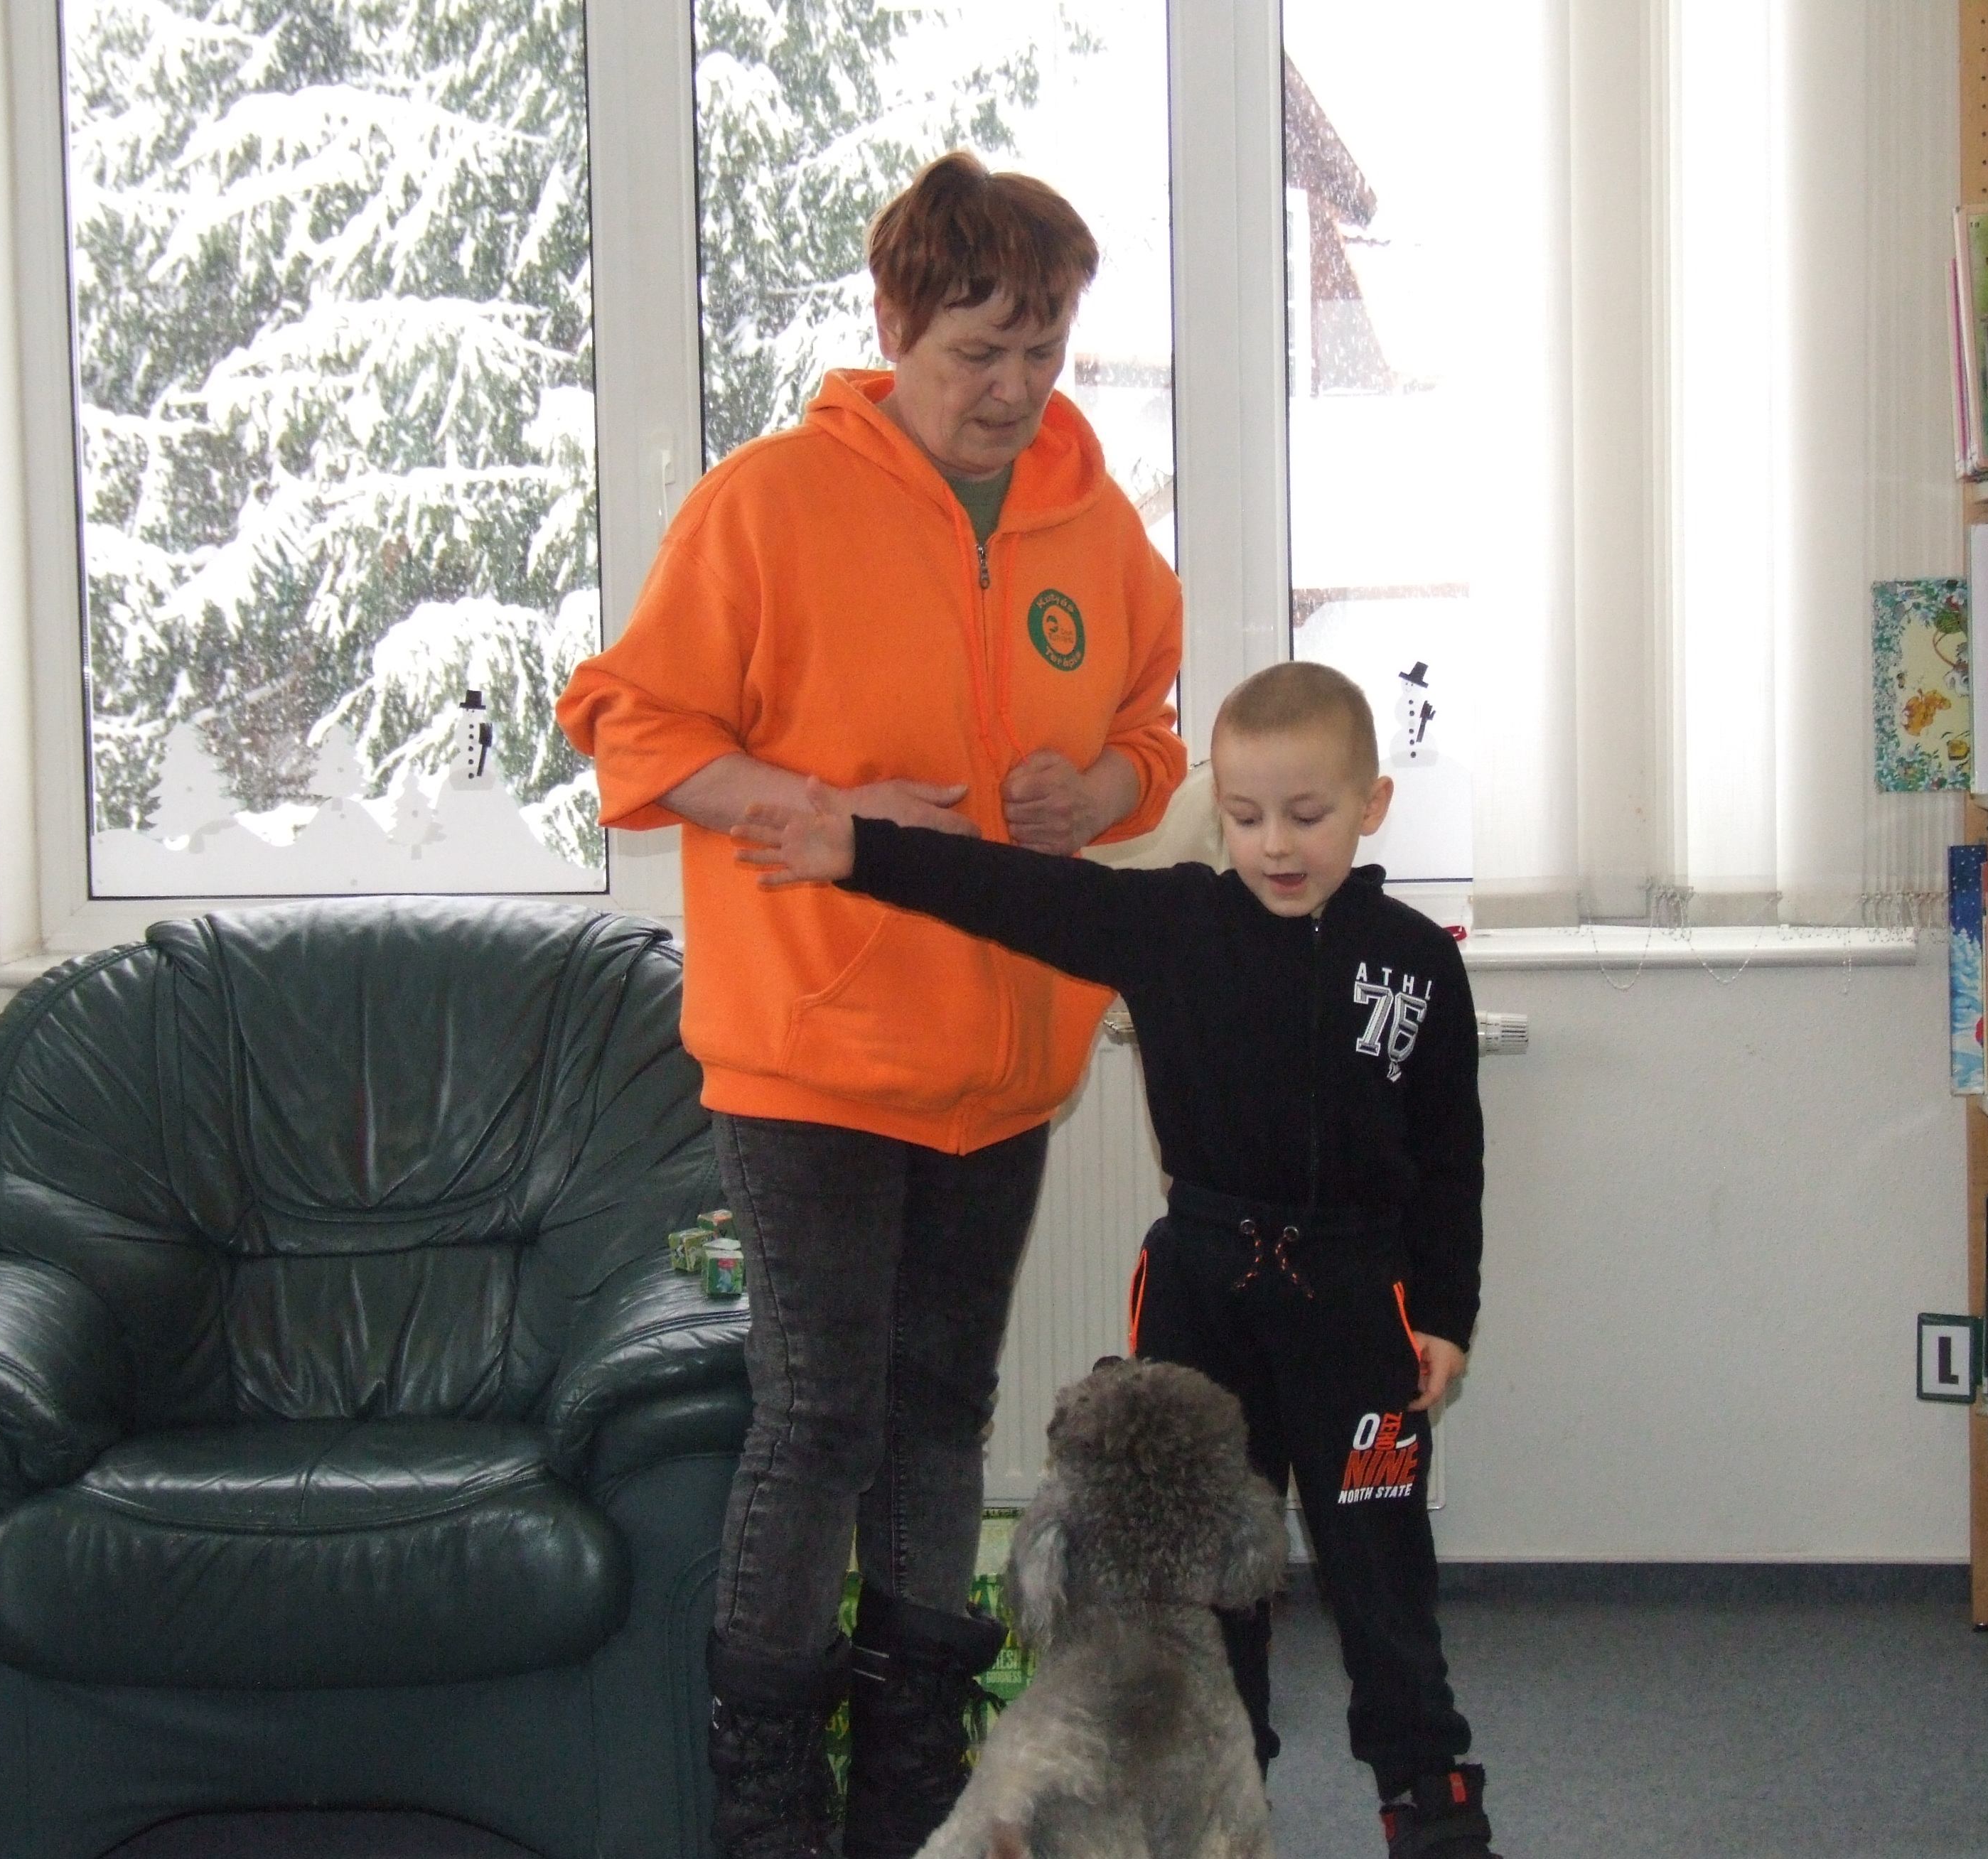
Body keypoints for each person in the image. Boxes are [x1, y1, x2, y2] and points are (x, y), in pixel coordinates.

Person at [554, 151, 1185, 1859]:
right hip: (811, 1054)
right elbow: (628, 727)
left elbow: (1151, 727)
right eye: (978, 352)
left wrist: (1099, 791)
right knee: (819, 1418)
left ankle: (914, 1781)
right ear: (895, 327)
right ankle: (766, 1802)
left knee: (939, 1415)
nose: (1013, 391)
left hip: (1006, 1060)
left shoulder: (1094, 522)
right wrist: (812, 806)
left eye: (1042, 352)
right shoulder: (766, 506)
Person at [735, 660, 1498, 1859]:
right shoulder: (1174, 923)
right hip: (1203, 1296)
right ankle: (1221, 1800)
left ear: (1372, 804)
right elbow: (1014, 891)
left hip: (1358, 1307)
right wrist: (862, 851)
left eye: (1308, 816)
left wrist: (1444, 1312)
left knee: (1381, 1578)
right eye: (1245, 816)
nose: (1276, 845)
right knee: (1195, 1585)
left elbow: (1451, 1156)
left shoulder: (1417, 963)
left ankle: (1432, 1805)